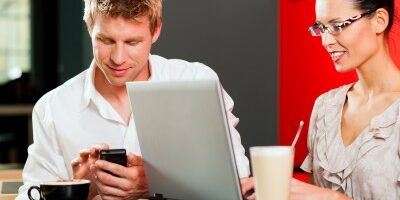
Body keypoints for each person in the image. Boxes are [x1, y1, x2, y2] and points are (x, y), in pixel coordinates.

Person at [17, 0, 253, 199]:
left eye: (132, 42)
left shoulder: (197, 82)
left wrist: (153, 184)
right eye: (106, 41)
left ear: (156, 29)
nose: (118, 58)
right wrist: (78, 189)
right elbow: (30, 194)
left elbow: (237, 184)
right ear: (89, 27)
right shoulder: (53, 107)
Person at [290, 0, 399, 199]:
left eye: (337, 26)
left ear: (379, 21)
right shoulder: (325, 107)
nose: (325, 41)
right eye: (321, 28)